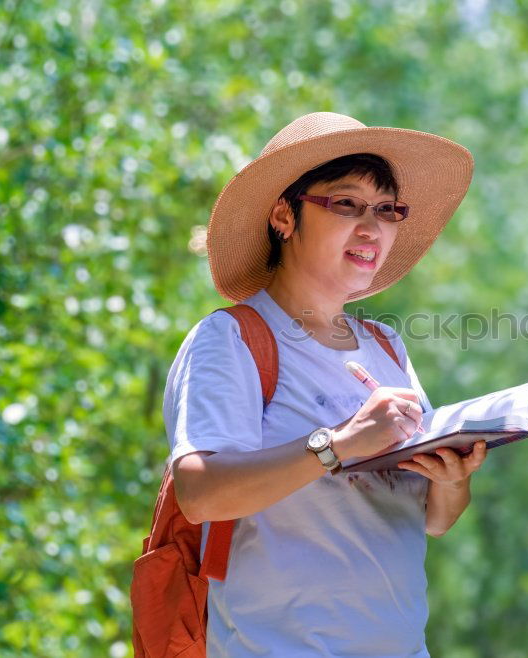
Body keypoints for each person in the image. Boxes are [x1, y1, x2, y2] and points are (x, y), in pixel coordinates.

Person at [162, 111, 485, 657]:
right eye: (346, 204)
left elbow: (433, 520)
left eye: (387, 210)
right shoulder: (231, 338)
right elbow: (199, 494)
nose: (372, 227)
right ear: (284, 216)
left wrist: (453, 480)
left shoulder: (386, 347)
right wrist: (338, 444)